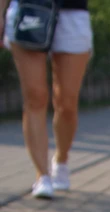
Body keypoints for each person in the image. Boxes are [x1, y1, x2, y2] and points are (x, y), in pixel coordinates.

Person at [1, 0, 92, 198]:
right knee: (36, 97)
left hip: (72, 13)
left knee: (66, 102)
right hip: (28, 10)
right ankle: (42, 175)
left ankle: (61, 159)